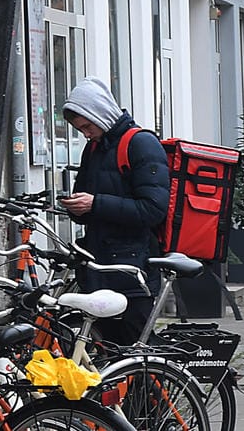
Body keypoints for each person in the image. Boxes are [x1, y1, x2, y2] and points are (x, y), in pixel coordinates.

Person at [59, 78, 168, 345]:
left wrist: (94, 204)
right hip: (101, 263)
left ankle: (163, 384)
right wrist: (77, 207)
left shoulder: (141, 144)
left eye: (87, 126)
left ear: (101, 113)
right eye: (79, 129)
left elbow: (153, 209)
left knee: (135, 347)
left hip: (134, 267)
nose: (85, 133)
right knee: (106, 346)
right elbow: (88, 200)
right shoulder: (94, 148)